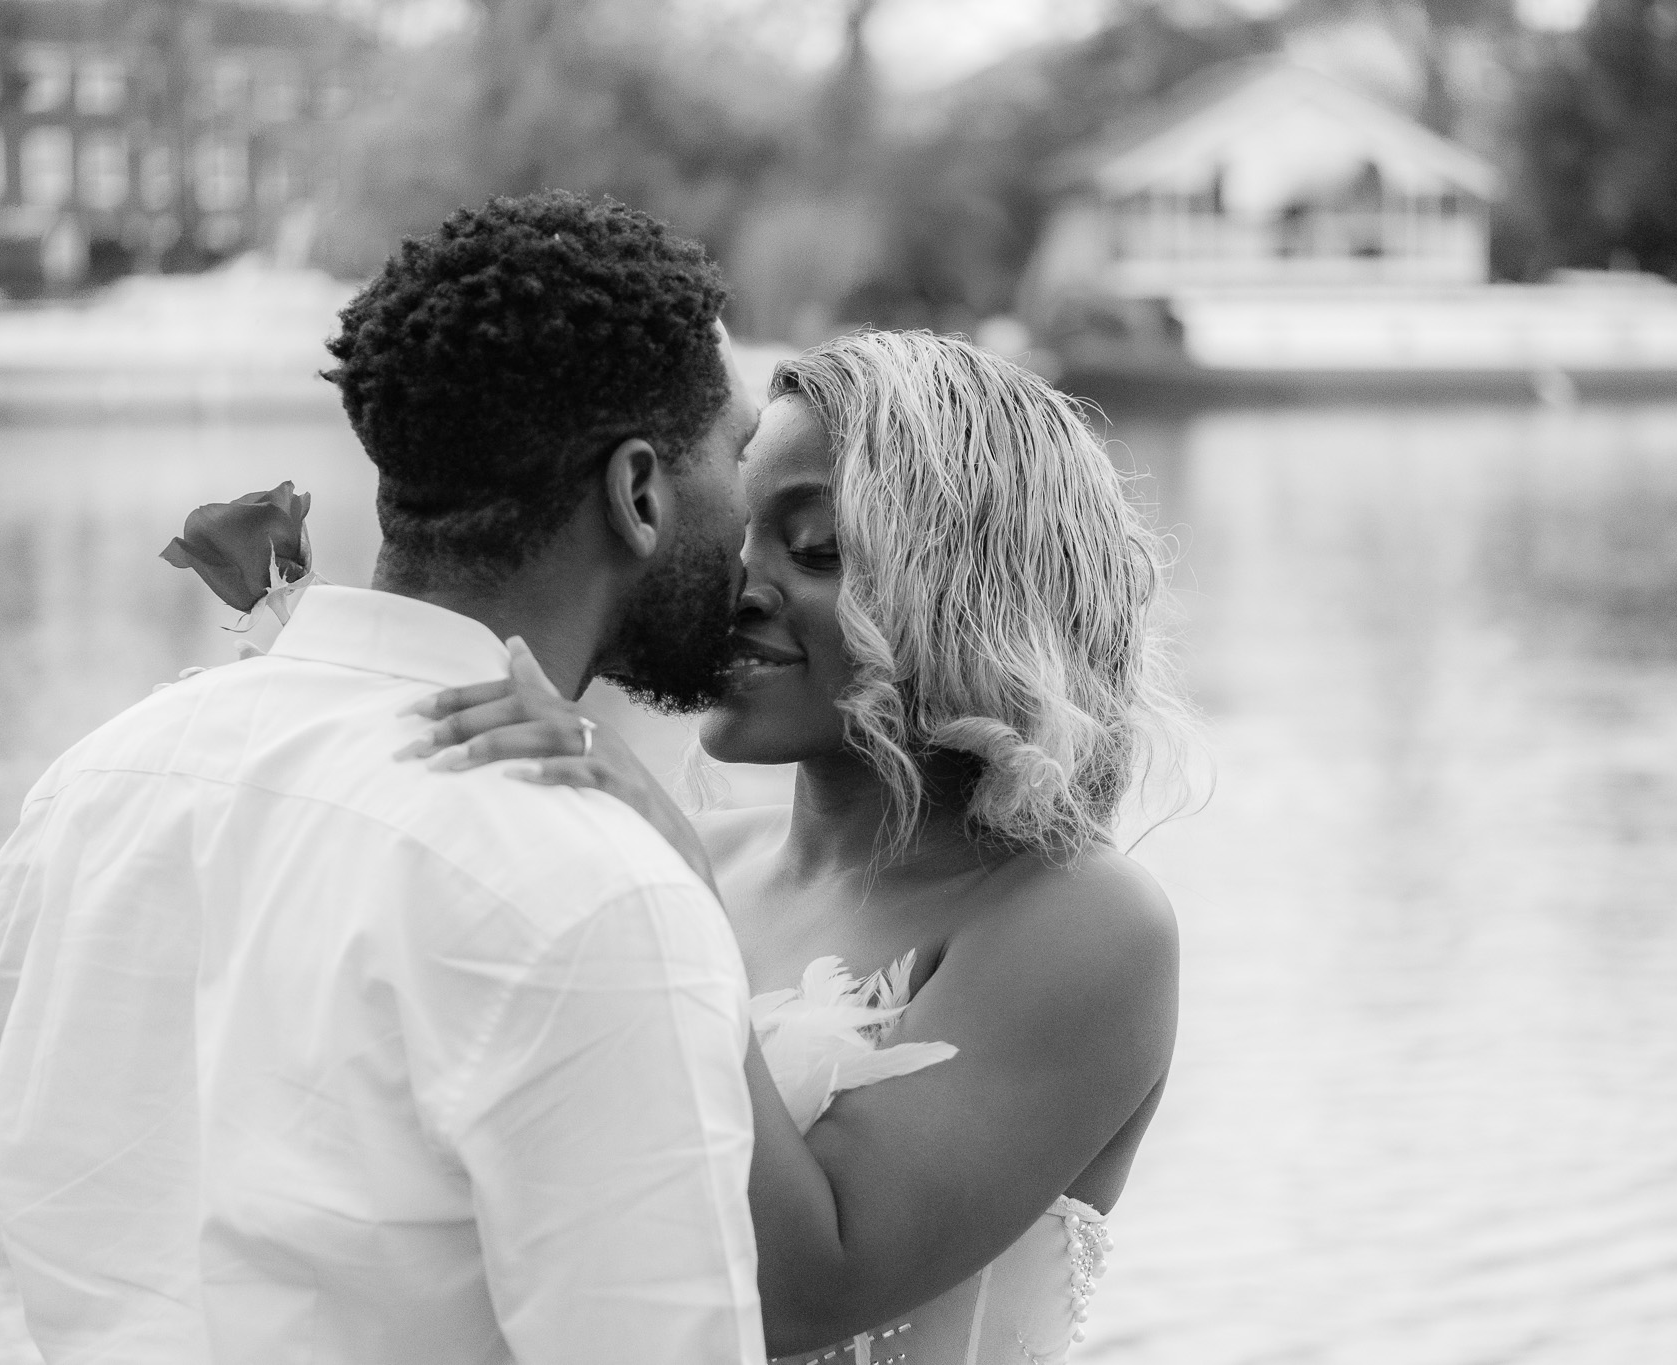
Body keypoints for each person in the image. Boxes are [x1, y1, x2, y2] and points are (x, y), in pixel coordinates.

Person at [0, 193, 768, 1365]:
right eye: (739, 455)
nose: (750, 523)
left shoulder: (94, 789)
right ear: (638, 492)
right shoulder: (595, 885)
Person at [405, 329, 1187, 1364]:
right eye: (733, 539)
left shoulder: (1077, 921)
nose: (742, 588)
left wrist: (663, 886)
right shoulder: (688, 859)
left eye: (815, 549)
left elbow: (807, 1289)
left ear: (968, 590)